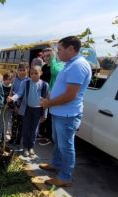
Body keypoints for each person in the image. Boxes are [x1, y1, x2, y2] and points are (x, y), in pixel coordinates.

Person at [40, 36, 92, 187]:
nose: (58, 53)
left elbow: (70, 95)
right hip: (60, 113)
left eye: (60, 50)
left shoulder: (78, 66)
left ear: (71, 49)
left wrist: (49, 103)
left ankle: (65, 177)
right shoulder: (70, 64)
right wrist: (49, 98)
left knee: (66, 146)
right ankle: (56, 164)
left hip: (67, 115)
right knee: (58, 143)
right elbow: (60, 86)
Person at [9, 66, 48, 158]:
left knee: (34, 130)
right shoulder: (25, 83)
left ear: (41, 73)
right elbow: (19, 93)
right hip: (27, 109)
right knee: (26, 129)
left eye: (36, 73)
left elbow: (46, 100)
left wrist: (45, 114)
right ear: (29, 74)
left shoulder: (44, 85)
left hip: (38, 110)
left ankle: (31, 147)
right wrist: (12, 98)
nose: (34, 75)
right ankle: (25, 147)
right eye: (32, 73)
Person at [38, 48, 64, 145]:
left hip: (51, 95)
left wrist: (53, 61)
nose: (46, 58)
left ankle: (48, 136)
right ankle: (42, 133)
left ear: (54, 55)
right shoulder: (44, 67)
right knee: (43, 114)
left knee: (49, 116)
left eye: (49, 55)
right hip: (43, 94)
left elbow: (55, 72)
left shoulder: (58, 65)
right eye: (44, 56)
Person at [8, 62, 29, 152]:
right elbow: (11, 93)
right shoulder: (14, 80)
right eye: (19, 70)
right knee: (14, 123)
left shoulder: (29, 80)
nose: (21, 72)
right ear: (17, 71)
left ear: (27, 70)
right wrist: (14, 105)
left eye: (23, 70)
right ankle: (12, 138)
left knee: (22, 124)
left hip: (24, 106)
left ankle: (18, 140)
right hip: (15, 105)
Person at [0, 72, 15, 142]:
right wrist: (1, 104)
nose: (8, 81)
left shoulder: (12, 87)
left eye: (10, 79)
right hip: (1, 107)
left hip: (9, 108)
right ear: (4, 79)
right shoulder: (0, 86)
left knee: (7, 122)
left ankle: (4, 134)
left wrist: (9, 105)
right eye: (6, 79)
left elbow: (13, 98)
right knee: (0, 121)